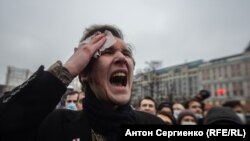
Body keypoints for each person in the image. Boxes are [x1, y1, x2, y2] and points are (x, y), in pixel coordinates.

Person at [0, 24, 164, 141]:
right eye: (108, 52)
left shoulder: (153, 125)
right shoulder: (55, 125)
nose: (121, 58)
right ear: (85, 72)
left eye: (126, 53)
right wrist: (67, 70)